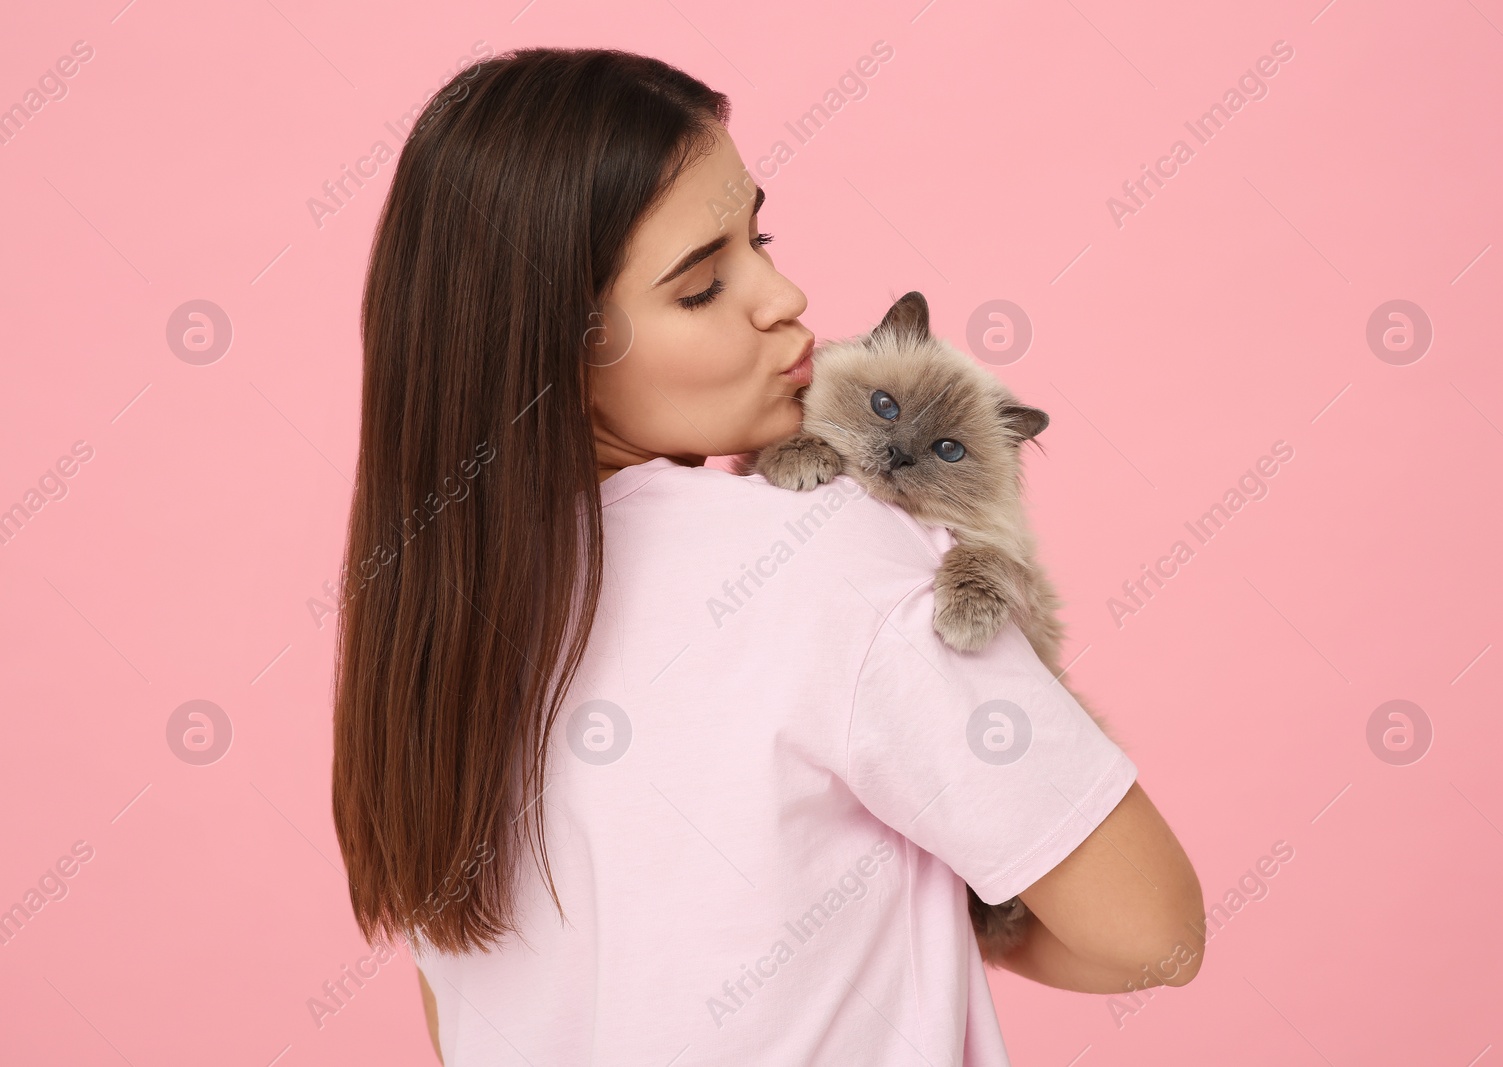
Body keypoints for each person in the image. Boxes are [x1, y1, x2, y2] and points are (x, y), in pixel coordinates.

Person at [330, 46, 1204, 1066]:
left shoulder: (432, 636)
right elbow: (1155, 929)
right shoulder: (822, 548)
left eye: (760, 237)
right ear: (550, 352)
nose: (783, 294)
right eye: (701, 286)